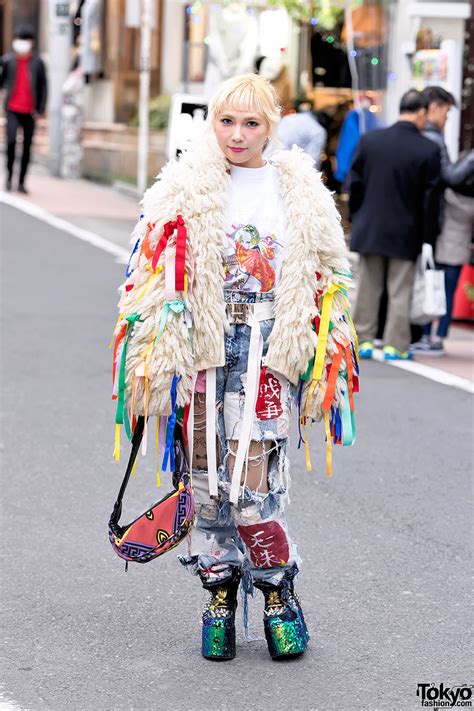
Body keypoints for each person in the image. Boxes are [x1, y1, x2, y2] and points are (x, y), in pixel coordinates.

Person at [112, 74, 358, 661]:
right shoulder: (183, 186)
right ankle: (218, 592)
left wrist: (330, 362)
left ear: (270, 124)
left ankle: (277, 591)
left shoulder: (299, 189)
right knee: (203, 483)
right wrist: (148, 358)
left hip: (271, 347)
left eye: (251, 123)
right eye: (226, 121)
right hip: (201, 346)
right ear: (211, 122)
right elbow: (146, 278)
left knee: (252, 485)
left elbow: (331, 280)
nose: (237, 134)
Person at [349, 89, 441, 360]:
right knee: (400, 290)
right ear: (422, 112)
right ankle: (395, 345)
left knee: (367, 287)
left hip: (370, 227)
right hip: (407, 230)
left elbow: (355, 184)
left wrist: (358, 217)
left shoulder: (371, 141)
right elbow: (430, 201)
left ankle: (363, 340)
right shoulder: (428, 149)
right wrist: (428, 237)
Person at [410, 86, 474, 355]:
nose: (446, 119)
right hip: (431, 224)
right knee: (435, 280)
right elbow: (451, 177)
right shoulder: (433, 139)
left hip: (420, 221)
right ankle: (429, 335)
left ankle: (421, 333)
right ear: (434, 108)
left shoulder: (421, 136)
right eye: (446, 113)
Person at [0, 24, 47, 193]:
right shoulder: (7, 61)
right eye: (19, 39)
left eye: (25, 40)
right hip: (12, 109)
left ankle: (21, 182)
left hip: (30, 111)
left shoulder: (38, 62)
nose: (22, 43)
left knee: (27, 147)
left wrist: (40, 109)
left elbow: (43, 86)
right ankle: (9, 177)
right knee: (11, 142)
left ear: (31, 42)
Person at [277, 100, 327, 169]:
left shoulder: (292, 116)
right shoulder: (319, 131)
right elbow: (312, 162)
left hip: (268, 154)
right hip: (285, 166)